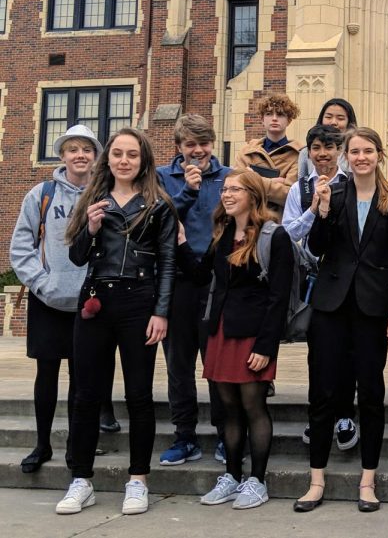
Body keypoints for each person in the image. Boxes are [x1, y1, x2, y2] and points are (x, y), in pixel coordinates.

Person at [56, 128, 177, 516]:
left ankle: (138, 480)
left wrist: (161, 311)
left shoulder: (158, 204)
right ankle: (80, 479)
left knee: (139, 395)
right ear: (107, 158)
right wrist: (90, 229)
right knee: (86, 393)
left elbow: (169, 263)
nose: (124, 160)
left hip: (139, 302)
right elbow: (76, 257)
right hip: (96, 301)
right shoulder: (92, 199)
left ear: (143, 161)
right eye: (118, 153)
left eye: (133, 155)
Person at [295, 128, 388, 514]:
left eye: (368, 151)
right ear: (346, 156)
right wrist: (321, 210)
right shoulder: (333, 193)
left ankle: (367, 480)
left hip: (373, 307)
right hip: (331, 305)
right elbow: (316, 248)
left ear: (379, 154)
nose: (361, 157)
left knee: (371, 393)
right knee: (323, 390)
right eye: (354, 151)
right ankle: (316, 480)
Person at [177, 169, 291, 509]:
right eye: (225, 189)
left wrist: (266, 347)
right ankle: (231, 475)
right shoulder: (223, 234)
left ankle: (257, 480)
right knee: (227, 408)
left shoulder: (274, 236)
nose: (226, 194)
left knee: (253, 406)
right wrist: (181, 242)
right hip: (221, 331)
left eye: (235, 189)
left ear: (253, 195)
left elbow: (278, 297)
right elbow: (201, 276)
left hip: (253, 335)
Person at [9, 125, 120, 474]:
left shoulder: (107, 195)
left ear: (95, 156)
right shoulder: (40, 194)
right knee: (46, 376)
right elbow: (21, 247)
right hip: (48, 299)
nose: (80, 155)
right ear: (63, 156)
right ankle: (42, 444)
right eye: (73, 149)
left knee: (81, 378)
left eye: (86, 149)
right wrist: (41, 283)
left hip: (89, 303)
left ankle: (77, 445)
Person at [156, 114, 230, 466]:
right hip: (177, 279)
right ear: (179, 147)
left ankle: (224, 434)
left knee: (216, 362)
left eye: (203, 144)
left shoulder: (229, 177)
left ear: (212, 143)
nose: (198, 151)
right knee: (178, 364)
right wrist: (189, 190)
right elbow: (160, 221)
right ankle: (184, 436)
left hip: (215, 280)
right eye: (190, 145)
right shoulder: (160, 177)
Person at [283, 124, 358, 451]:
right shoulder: (299, 190)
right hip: (315, 282)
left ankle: (344, 415)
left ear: (339, 151)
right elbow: (287, 235)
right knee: (320, 356)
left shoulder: (354, 185)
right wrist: (313, 211)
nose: (323, 154)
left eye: (330, 147)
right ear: (309, 152)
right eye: (316, 147)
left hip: (349, 283)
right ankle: (320, 417)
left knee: (347, 354)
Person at [232, 93, 302, 217]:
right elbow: (237, 189)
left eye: (280, 114)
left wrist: (254, 179)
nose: (274, 118)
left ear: (289, 120)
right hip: (249, 221)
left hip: (280, 225)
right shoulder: (246, 152)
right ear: (262, 119)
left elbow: (290, 195)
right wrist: (277, 182)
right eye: (269, 114)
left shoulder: (298, 154)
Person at [296, 98, 357, 178]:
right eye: (328, 117)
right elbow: (302, 183)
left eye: (340, 118)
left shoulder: (356, 151)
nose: (333, 122)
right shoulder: (305, 153)